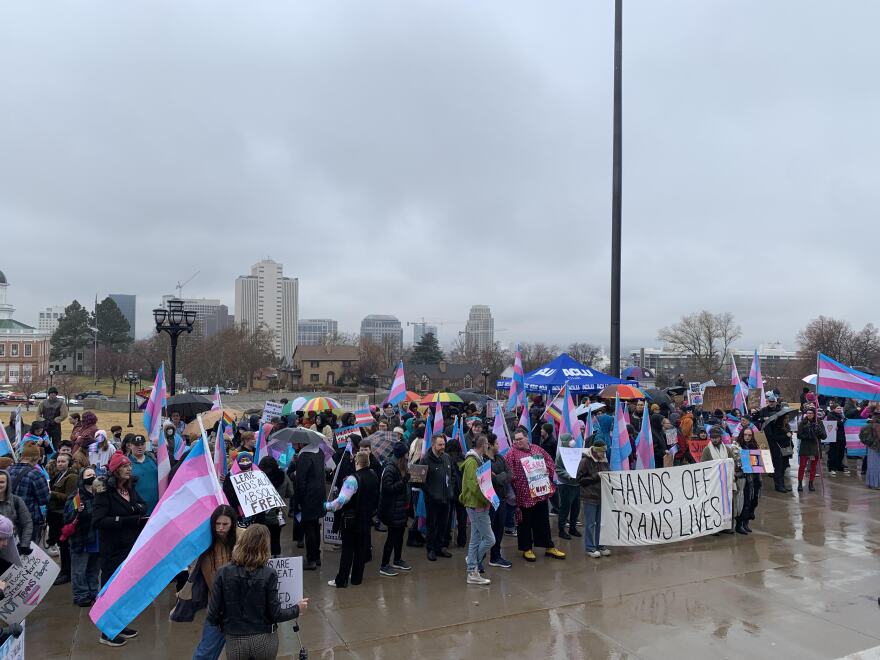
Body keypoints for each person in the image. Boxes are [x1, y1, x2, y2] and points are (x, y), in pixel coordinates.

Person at [206, 524, 308, 660]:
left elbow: (212, 614)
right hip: (264, 638)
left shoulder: (223, 572)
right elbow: (276, 614)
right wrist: (297, 609)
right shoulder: (269, 574)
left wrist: (226, 625)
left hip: (235, 639)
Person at [92, 451, 146, 646]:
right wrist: (126, 519)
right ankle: (106, 633)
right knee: (110, 591)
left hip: (128, 548)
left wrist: (134, 511)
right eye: (124, 466)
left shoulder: (130, 489)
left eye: (129, 466)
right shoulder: (105, 492)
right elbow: (98, 521)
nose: (129, 469)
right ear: (115, 470)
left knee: (123, 590)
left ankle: (119, 625)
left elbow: (143, 505)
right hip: (112, 550)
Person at [505, 427, 566, 562]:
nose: (518, 442)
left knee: (543, 521)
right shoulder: (511, 454)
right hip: (523, 495)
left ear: (527, 438)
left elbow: (550, 462)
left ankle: (548, 546)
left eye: (520, 439)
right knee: (525, 523)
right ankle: (527, 548)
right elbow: (508, 473)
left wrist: (546, 472)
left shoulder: (537, 449)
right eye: (515, 440)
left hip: (540, 493)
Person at [324, 450, 379, 588]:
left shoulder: (352, 479)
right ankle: (356, 578)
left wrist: (327, 506)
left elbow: (341, 501)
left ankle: (341, 580)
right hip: (366, 518)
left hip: (351, 520)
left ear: (357, 462)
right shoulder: (373, 475)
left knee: (348, 551)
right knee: (361, 550)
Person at [191, 505, 238, 660]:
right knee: (205, 653)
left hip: (242, 609)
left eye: (225, 524)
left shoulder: (243, 538)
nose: (220, 528)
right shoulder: (204, 542)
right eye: (217, 524)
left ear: (233, 524)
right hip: (217, 608)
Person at [459, 434, 494, 585]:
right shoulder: (472, 462)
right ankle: (472, 563)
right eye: (487, 444)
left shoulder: (478, 461)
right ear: (484, 444)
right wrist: (488, 500)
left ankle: (472, 569)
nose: (489, 447)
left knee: (476, 539)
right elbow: (474, 486)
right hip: (477, 505)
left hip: (477, 505)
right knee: (489, 539)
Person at [64, 466, 100, 607]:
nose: (92, 477)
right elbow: (67, 517)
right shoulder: (76, 497)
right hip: (82, 539)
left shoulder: (99, 494)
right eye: (88, 475)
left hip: (96, 538)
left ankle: (93, 592)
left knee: (94, 568)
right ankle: (81, 594)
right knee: (79, 570)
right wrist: (77, 512)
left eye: (94, 474)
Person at [291, 438, 326, 570]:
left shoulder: (304, 456)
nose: (293, 444)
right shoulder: (319, 452)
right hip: (319, 495)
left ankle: (311, 559)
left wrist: (298, 501)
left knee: (309, 528)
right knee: (315, 526)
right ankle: (316, 557)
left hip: (308, 497)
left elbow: (301, 481)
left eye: (295, 442)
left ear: (302, 443)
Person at [419, 434, 454, 562]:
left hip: (446, 499)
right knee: (432, 525)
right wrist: (431, 494)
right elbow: (420, 481)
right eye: (440, 445)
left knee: (443, 525)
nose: (442, 447)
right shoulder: (425, 460)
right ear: (433, 445)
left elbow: (453, 475)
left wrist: (451, 490)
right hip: (432, 500)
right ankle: (431, 549)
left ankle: (440, 547)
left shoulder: (447, 457)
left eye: (443, 444)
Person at [378, 442, 411, 577]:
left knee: (399, 536)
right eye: (407, 453)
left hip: (401, 508)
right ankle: (384, 565)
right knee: (391, 538)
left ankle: (397, 559)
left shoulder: (401, 466)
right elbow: (388, 488)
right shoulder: (390, 468)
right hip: (392, 509)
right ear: (402, 455)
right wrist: (403, 481)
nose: (408, 456)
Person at [8, 444, 48, 548]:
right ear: (36, 458)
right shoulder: (36, 474)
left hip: (9, 518)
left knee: (12, 553)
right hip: (29, 520)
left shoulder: (8, 471)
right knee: (28, 554)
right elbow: (44, 499)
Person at [577, 439, 609, 558]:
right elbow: (580, 479)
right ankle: (590, 548)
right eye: (602, 452)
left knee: (601, 523)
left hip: (602, 496)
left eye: (604, 452)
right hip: (589, 497)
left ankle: (600, 546)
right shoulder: (585, 461)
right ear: (596, 451)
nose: (604, 454)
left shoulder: (604, 460)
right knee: (590, 524)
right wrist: (596, 476)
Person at [47, 452, 76, 582]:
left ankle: (67, 572)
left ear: (69, 463)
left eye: (63, 461)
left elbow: (69, 497)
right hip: (56, 515)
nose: (60, 464)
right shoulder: (59, 475)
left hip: (63, 515)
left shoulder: (71, 477)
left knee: (65, 546)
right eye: (58, 461)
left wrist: (51, 493)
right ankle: (64, 570)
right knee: (61, 545)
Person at [256, 456, 292, 557]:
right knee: (276, 538)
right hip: (279, 515)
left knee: (263, 540)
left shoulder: (259, 478)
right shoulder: (283, 476)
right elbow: (290, 493)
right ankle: (277, 559)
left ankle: (265, 559)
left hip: (262, 515)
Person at [486, 432, 512, 568]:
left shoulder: (501, 458)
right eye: (496, 443)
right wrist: (499, 478)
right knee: (486, 532)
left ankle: (495, 556)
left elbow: (509, 474)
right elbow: (488, 480)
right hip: (489, 501)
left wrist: (499, 477)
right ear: (490, 445)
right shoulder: (484, 461)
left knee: (499, 529)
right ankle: (478, 558)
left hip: (502, 499)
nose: (499, 445)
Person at [554, 433, 582, 540]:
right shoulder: (561, 455)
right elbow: (558, 469)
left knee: (576, 507)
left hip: (576, 484)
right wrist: (568, 475)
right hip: (566, 484)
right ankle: (561, 529)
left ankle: (572, 528)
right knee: (565, 508)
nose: (573, 441)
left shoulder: (575, 452)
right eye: (570, 439)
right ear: (565, 442)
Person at [735, 426, 762, 534]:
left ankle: (746, 522)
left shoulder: (754, 446)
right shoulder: (737, 446)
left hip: (754, 477)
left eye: (749, 435)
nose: (747, 437)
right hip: (744, 478)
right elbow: (736, 461)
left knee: (753, 500)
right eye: (745, 435)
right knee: (744, 501)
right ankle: (739, 524)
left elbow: (758, 462)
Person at [0, 469, 32, 556]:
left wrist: (25, 544)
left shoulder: (16, 500)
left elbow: (27, 523)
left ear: (7, 483)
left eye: (2, 482)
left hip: (9, 547)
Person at [764, 407, 794, 493]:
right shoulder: (777, 427)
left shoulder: (786, 426)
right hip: (778, 450)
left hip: (786, 450)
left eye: (788, 418)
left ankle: (782, 484)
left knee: (783, 468)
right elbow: (775, 438)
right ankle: (778, 485)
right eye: (786, 418)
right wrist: (786, 435)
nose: (787, 419)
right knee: (778, 468)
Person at [796, 406, 826, 493]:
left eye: (811, 413)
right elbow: (799, 435)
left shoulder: (819, 422)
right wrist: (808, 434)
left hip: (814, 447)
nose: (809, 415)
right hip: (805, 447)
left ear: (814, 414)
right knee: (802, 466)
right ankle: (800, 483)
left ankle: (811, 483)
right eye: (807, 413)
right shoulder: (803, 422)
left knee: (813, 467)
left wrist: (818, 431)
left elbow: (824, 436)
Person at [129, 435, 159, 515]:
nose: (140, 447)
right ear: (130, 446)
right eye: (137, 445)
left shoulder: (153, 459)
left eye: (142, 444)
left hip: (156, 508)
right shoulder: (126, 463)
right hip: (138, 509)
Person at [37, 387, 68, 451]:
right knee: (44, 443)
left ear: (56, 394)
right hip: (45, 426)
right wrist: (43, 421)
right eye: (51, 394)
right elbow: (38, 415)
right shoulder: (43, 403)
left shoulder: (61, 403)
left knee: (56, 444)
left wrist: (56, 420)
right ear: (49, 394)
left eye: (54, 394)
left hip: (56, 427)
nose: (53, 395)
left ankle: (56, 457)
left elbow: (64, 415)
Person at [826, 402, 849, 475]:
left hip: (841, 436)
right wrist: (841, 421)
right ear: (833, 409)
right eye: (838, 408)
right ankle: (832, 467)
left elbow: (841, 423)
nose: (839, 409)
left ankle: (839, 466)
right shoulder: (830, 415)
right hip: (834, 437)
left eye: (840, 408)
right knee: (834, 452)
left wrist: (842, 421)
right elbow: (835, 423)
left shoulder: (841, 415)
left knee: (841, 452)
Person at [860, 410, 880, 489]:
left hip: (871, 448)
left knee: (872, 465)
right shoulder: (874, 425)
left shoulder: (868, 425)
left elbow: (861, 437)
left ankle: (871, 483)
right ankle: (876, 484)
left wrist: (869, 444)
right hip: (876, 448)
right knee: (876, 466)